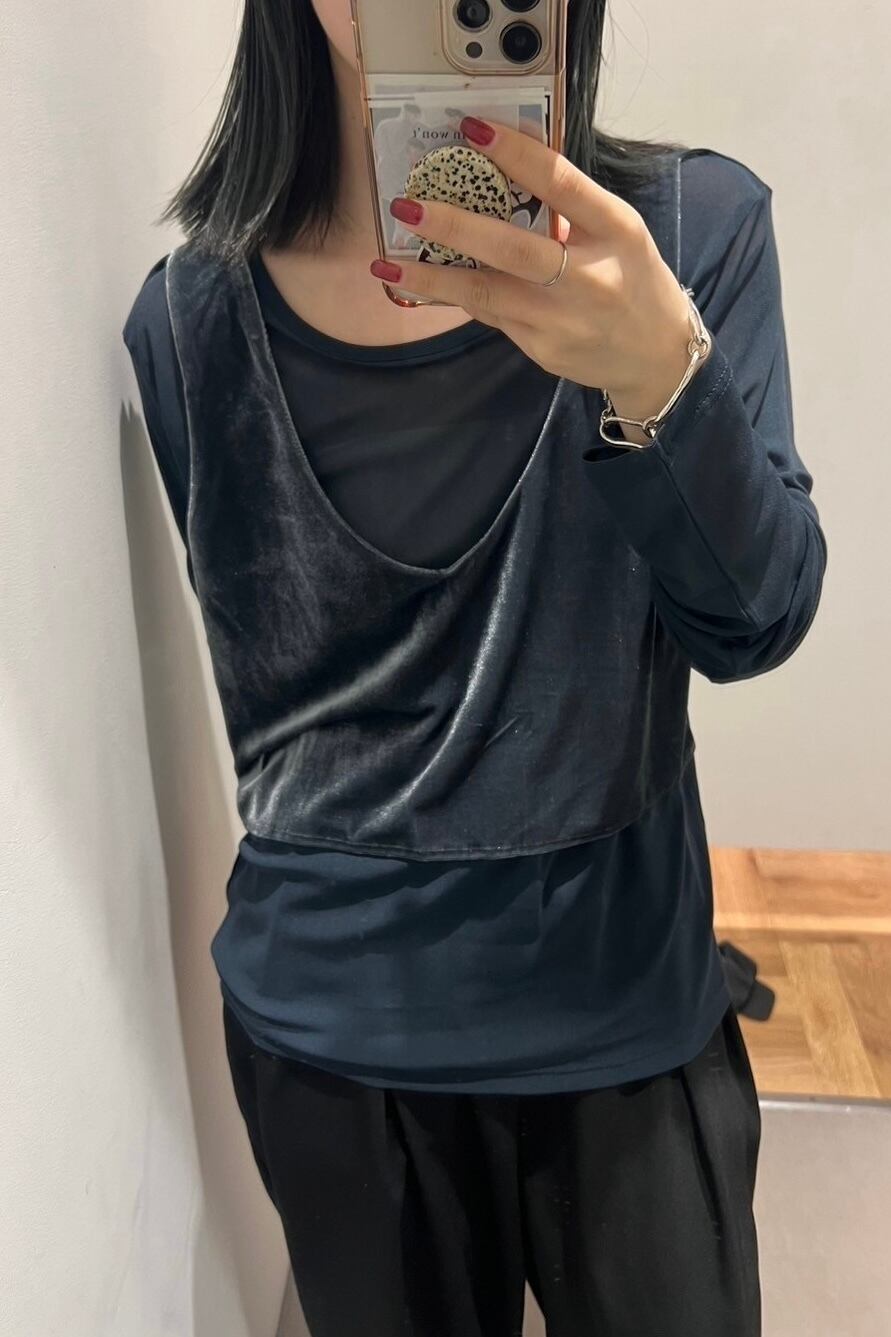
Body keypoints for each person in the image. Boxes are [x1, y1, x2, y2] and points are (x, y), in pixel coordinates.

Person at [122, 1, 828, 1333]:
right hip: (335, 1046)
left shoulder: (685, 237)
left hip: (623, 1011)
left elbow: (758, 619)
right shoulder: (188, 320)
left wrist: (658, 380)